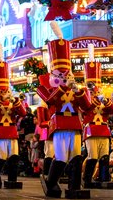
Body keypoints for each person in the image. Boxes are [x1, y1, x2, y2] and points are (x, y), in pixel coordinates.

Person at [38, 22, 91, 198]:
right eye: (60, 75)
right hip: (59, 124)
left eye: (66, 74)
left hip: (75, 124)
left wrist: (77, 90)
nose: (63, 78)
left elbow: (87, 106)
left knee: (76, 156)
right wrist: (63, 87)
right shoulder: (46, 86)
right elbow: (49, 100)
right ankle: (51, 182)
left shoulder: (75, 88)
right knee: (60, 157)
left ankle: (75, 187)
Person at [0, 56, 27, 189]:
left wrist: (16, 101)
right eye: (0, 90)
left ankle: (12, 180)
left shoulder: (12, 102)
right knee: (1, 156)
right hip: (0, 131)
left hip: (12, 131)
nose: (3, 92)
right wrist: (0, 99)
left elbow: (23, 113)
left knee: (14, 156)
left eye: (5, 90)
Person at [81, 53, 113, 189]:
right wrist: (94, 99)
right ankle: (87, 179)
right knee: (92, 156)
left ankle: (104, 178)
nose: (94, 90)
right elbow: (85, 108)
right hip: (91, 129)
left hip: (103, 129)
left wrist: (106, 101)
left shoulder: (103, 100)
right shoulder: (85, 99)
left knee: (104, 156)